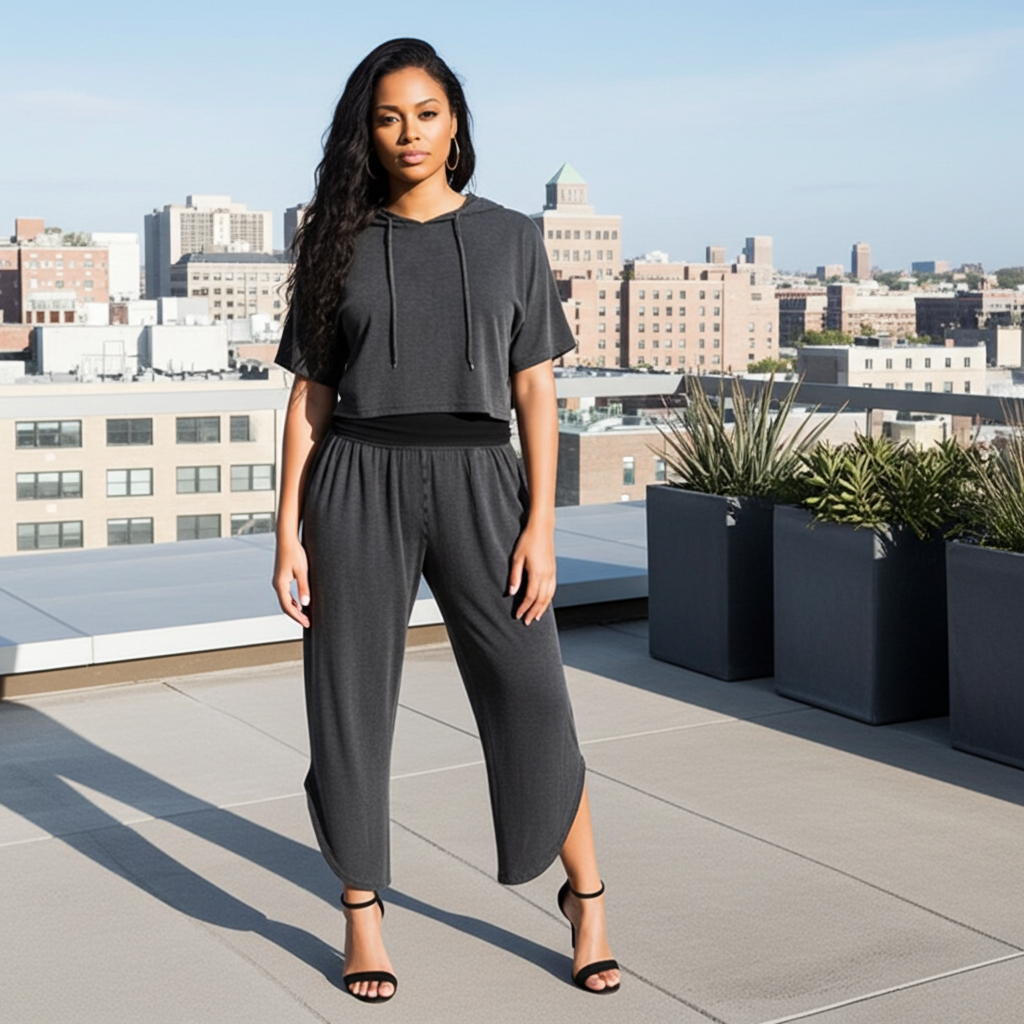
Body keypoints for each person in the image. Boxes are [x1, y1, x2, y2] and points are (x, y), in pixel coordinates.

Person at [272, 37, 620, 1003]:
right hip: (357, 480)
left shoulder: (512, 237)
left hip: (481, 479)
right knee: (347, 708)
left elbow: (536, 391)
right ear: (368, 132)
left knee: (534, 695)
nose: (409, 133)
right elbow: (309, 399)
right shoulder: (337, 241)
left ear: (455, 120)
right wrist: (286, 529)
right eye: (388, 118)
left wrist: (541, 524)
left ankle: (587, 898)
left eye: (425, 113)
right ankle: (362, 918)